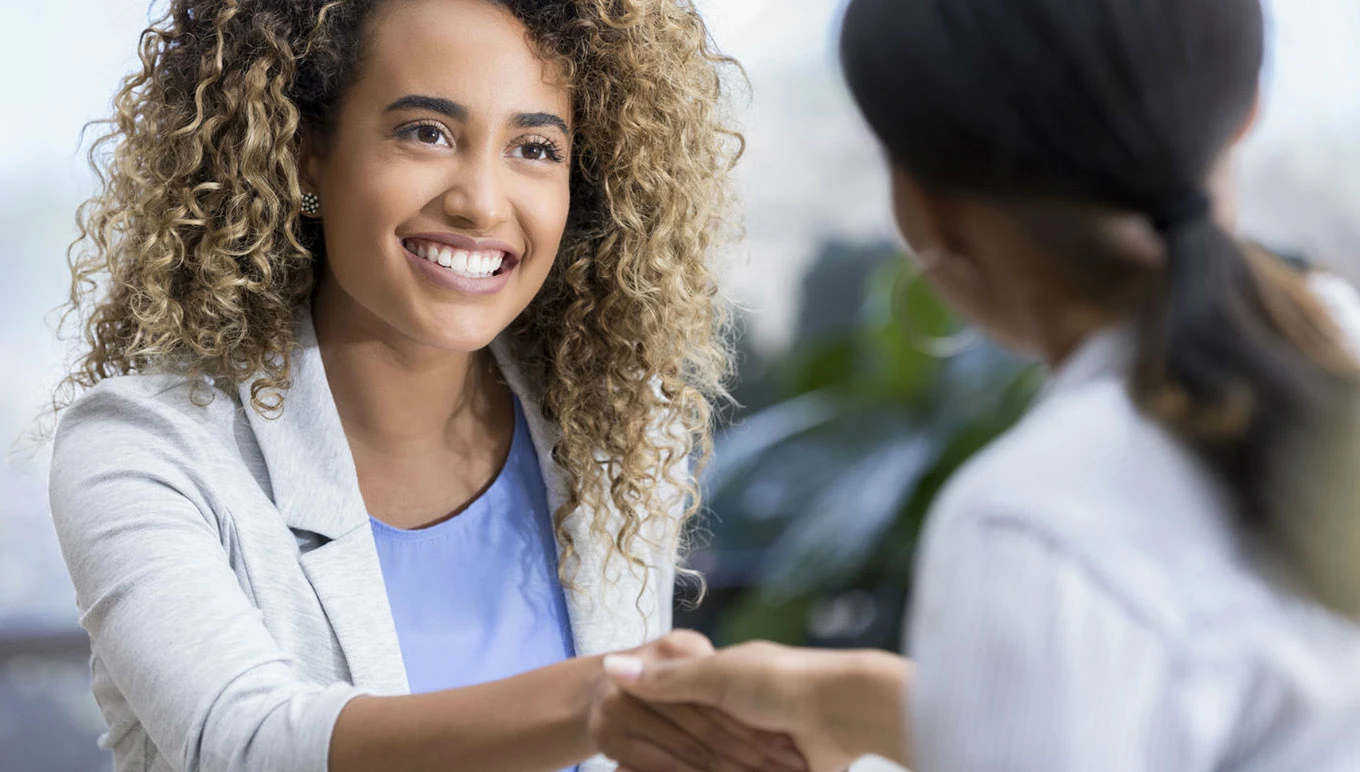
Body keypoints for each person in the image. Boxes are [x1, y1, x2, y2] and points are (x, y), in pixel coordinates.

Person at [47, 1, 807, 771]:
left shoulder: (615, 432)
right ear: (307, 148)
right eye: (426, 133)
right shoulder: (140, 449)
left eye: (535, 147)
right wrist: (595, 703)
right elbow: (245, 744)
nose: (480, 201)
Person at [604, 0, 1360, 769]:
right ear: (1244, 118)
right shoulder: (1339, 348)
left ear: (924, 211)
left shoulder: (1035, 521)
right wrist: (854, 703)